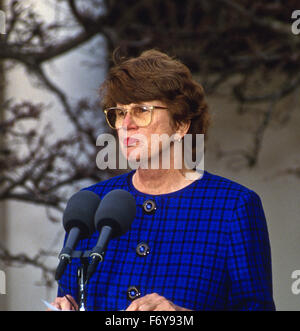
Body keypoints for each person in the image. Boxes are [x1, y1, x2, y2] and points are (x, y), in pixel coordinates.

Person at [50, 49, 275, 311]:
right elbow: (69, 298)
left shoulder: (233, 207)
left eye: (142, 110)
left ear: (180, 124)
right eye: (120, 113)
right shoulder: (91, 204)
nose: (127, 124)